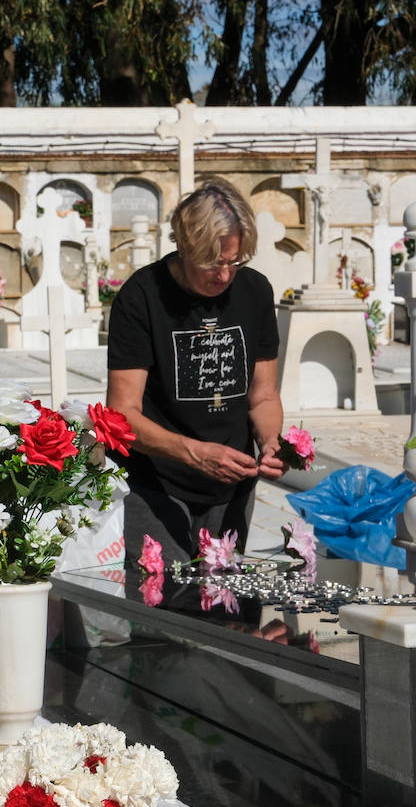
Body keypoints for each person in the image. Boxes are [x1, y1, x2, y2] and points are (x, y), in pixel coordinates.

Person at [106, 178, 286, 567]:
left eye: (234, 263)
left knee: (226, 610)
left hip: (232, 481)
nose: (223, 276)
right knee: (164, 608)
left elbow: (264, 395)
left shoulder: (254, 292)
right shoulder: (141, 296)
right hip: (155, 481)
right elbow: (122, 414)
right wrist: (194, 453)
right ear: (184, 246)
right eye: (212, 263)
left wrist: (271, 442)